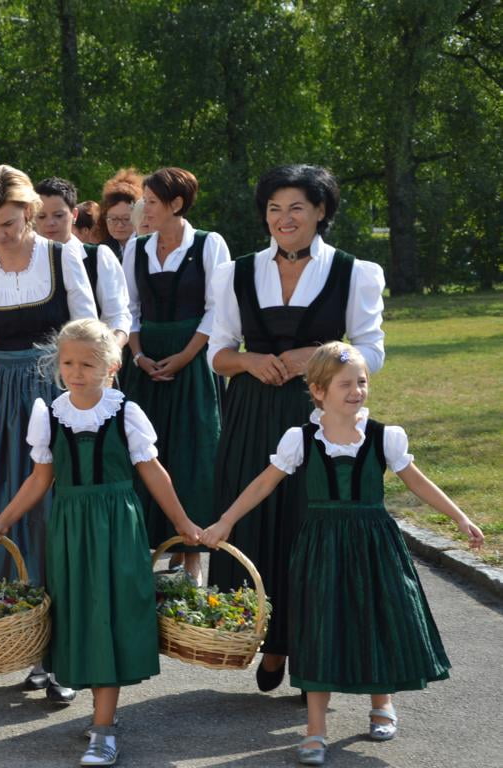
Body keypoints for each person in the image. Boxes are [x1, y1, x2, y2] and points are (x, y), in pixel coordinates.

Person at [201, 342, 482, 766]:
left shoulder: (385, 436)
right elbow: (263, 483)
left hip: (375, 545)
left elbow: (417, 482)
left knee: (377, 617)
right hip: (321, 546)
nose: (356, 391)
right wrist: (225, 521)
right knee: (318, 629)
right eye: (345, 384)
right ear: (318, 391)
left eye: (362, 382)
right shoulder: (301, 439)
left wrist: (460, 517)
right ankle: (315, 730)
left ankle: (381, 703)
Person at [0, 319, 201, 767]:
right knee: (78, 614)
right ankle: (100, 714)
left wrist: (185, 525)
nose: (75, 372)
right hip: (69, 531)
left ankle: (103, 727)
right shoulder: (50, 413)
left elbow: (154, 473)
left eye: (87, 363)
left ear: (111, 367)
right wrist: (0, 521)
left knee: (109, 617)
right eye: (67, 363)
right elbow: (40, 479)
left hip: (116, 528)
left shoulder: (126, 413)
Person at [205, 164, 386, 693]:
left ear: (321, 212)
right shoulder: (235, 272)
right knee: (258, 526)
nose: (284, 219)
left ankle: (311, 648)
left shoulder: (357, 272)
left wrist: (320, 356)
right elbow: (219, 354)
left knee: (314, 532)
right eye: (274, 209)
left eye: (297, 208)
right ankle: (271, 639)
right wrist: (250, 362)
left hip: (323, 417)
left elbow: (372, 350)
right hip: (252, 417)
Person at [0, 165, 97, 702]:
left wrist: (87, 404)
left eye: (8, 224)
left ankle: (66, 652)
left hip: (59, 394)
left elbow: (89, 333)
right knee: (9, 517)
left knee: (56, 519)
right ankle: (28, 645)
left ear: (30, 212)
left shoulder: (64, 256)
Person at [121, 167, 230, 581]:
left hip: (192, 363)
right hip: (145, 364)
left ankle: (192, 554)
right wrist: (137, 355)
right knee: (145, 453)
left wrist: (186, 356)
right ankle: (144, 546)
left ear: (176, 205)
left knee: (193, 454)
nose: (142, 209)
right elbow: (129, 308)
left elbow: (216, 309)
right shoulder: (137, 248)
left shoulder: (208, 245)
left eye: (150, 201)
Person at [35, 177, 131, 349]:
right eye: (41, 216)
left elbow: (118, 316)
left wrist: (109, 354)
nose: (50, 223)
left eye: (58, 215)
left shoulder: (98, 257)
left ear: (74, 215)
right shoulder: (26, 263)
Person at [96, 169, 142, 260]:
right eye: (113, 219)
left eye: (126, 219)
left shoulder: (149, 248)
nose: (120, 225)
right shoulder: (99, 252)